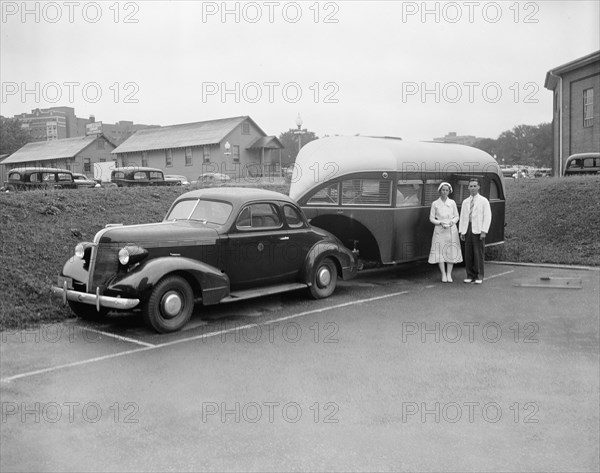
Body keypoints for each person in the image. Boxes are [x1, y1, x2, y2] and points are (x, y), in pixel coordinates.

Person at [459, 178, 492, 284]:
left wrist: (484, 231)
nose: (473, 188)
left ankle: (479, 276)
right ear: (468, 187)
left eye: (474, 186)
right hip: (467, 228)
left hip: (478, 229)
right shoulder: (465, 202)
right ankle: (469, 275)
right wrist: (462, 231)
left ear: (478, 187)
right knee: (468, 254)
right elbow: (463, 217)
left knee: (478, 253)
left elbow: (487, 216)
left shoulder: (483, 201)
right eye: (471, 186)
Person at [428, 182, 462, 282]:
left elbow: (457, 216)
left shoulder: (452, 203)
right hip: (439, 230)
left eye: (447, 190)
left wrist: (452, 222)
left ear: (449, 191)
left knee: (450, 251)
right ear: (440, 191)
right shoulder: (435, 204)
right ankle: (443, 274)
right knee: (440, 252)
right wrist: (440, 222)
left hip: (451, 230)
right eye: (443, 190)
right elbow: (431, 218)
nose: (445, 192)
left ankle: (449, 274)